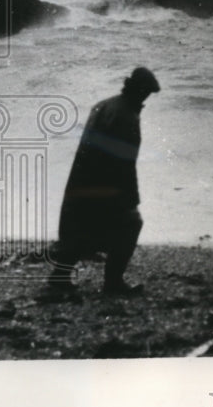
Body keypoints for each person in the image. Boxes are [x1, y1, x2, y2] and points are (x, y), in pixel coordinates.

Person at [47, 67, 160, 296]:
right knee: (131, 224)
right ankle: (113, 283)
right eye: (147, 92)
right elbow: (125, 163)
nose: (147, 98)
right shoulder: (126, 115)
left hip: (82, 181)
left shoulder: (104, 105)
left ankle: (60, 276)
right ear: (139, 90)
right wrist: (131, 197)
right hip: (106, 186)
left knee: (78, 229)